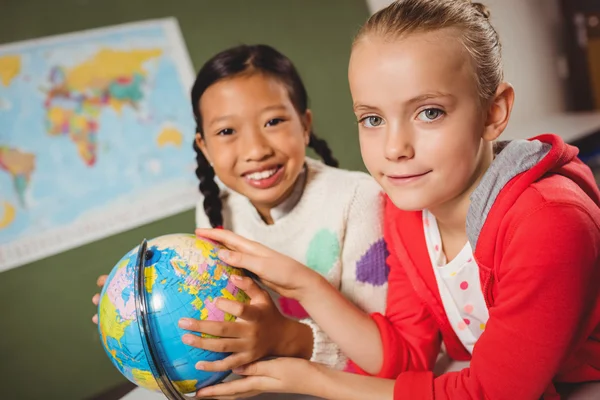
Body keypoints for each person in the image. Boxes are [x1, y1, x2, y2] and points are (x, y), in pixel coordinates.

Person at [192, 1, 600, 399]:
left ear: (493, 112)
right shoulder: (408, 213)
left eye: (429, 112)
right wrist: (303, 283)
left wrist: (314, 380)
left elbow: (491, 393)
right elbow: (406, 359)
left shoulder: (549, 222)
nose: (394, 148)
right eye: (372, 119)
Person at [92, 44, 389, 378]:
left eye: (273, 121)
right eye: (227, 131)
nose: (256, 150)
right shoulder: (216, 210)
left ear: (305, 125)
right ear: (204, 146)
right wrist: (142, 313)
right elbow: (215, 310)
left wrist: (286, 338)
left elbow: (385, 350)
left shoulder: (359, 199)